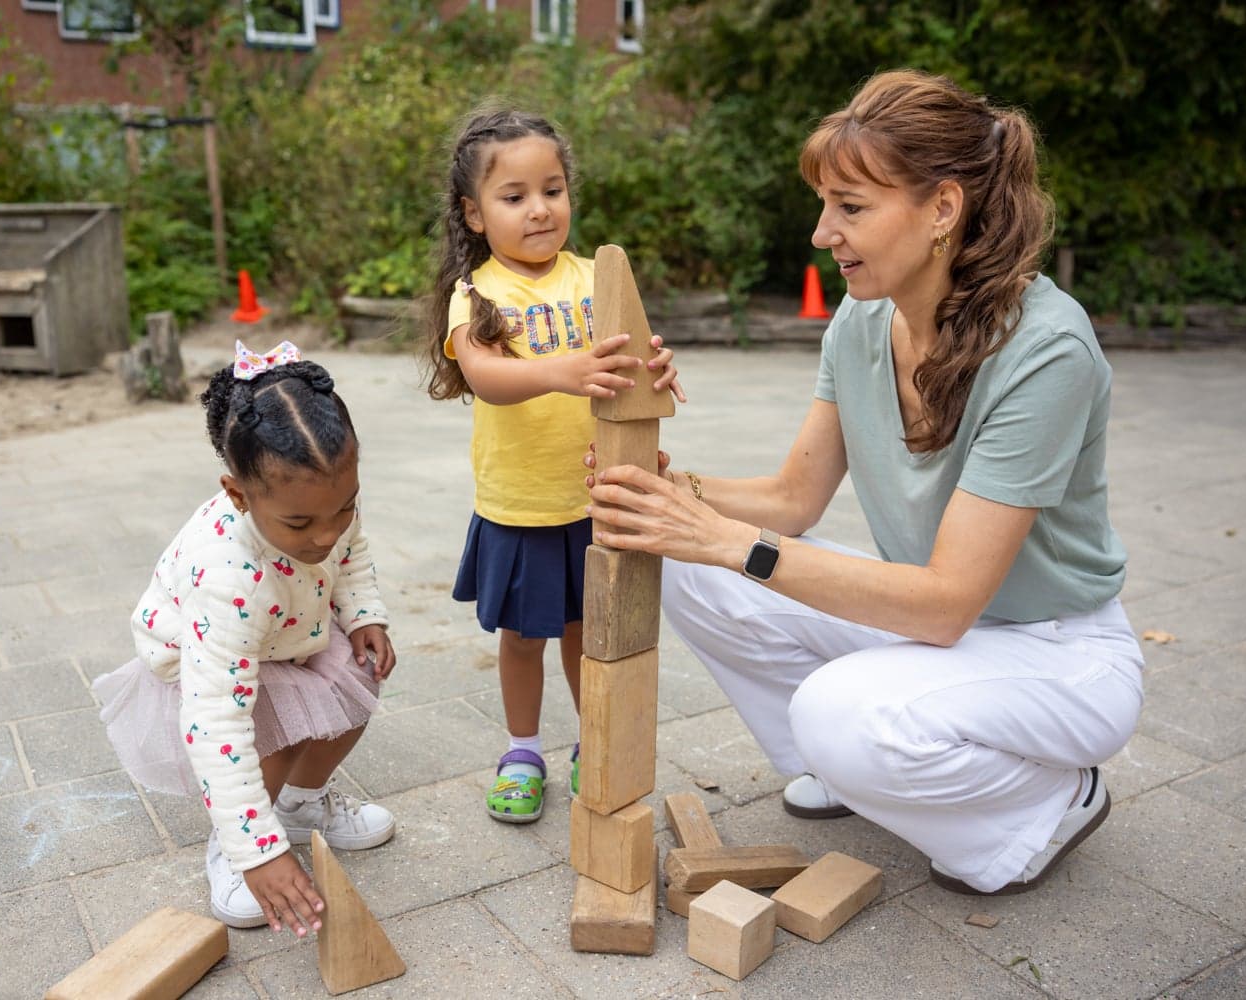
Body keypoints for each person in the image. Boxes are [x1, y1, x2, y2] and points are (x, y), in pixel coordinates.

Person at [584, 70, 1143, 895]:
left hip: (1055, 651)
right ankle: (847, 772)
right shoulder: (862, 319)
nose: (822, 234)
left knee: (836, 709)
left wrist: (729, 540)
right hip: (935, 632)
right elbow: (793, 502)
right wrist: (673, 490)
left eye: (851, 208)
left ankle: (1050, 801)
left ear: (943, 209)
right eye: (826, 207)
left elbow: (948, 600)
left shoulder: (1045, 351)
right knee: (689, 568)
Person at [423, 106, 684, 823]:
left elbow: (626, 359)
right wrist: (562, 371)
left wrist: (654, 369)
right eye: (514, 197)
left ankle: (590, 739)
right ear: (475, 214)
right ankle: (522, 749)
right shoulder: (478, 293)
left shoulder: (595, 278)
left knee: (584, 628)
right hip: (519, 503)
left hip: (593, 496)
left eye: (553, 189)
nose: (539, 210)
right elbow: (485, 377)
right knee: (522, 635)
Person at [93, 343, 398, 934]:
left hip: (288, 631)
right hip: (206, 661)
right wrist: (259, 853)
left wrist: (364, 615)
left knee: (360, 675)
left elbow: (352, 552)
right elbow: (216, 724)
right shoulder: (227, 574)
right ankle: (234, 845)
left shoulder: (322, 506)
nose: (325, 535)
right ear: (238, 494)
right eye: (301, 524)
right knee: (275, 730)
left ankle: (301, 804)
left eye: (344, 507)